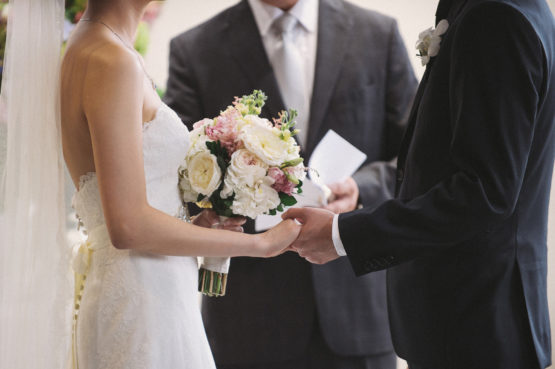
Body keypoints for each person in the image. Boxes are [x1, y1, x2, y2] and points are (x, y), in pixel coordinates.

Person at [0, 0, 301, 368]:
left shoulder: (92, 44)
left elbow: (127, 210)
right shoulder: (111, 60)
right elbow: (128, 227)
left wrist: (191, 227)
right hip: (142, 301)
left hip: (149, 289)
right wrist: (258, 244)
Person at [282, 0, 555, 368]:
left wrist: (343, 235)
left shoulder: (495, 16)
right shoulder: (496, 10)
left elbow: (484, 193)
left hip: (476, 324)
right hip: (471, 320)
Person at [164, 0, 417, 368]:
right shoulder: (195, 50)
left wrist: (363, 188)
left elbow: (417, 155)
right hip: (250, 320)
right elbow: (177, 175)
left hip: (357, 310)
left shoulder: (378, 35)